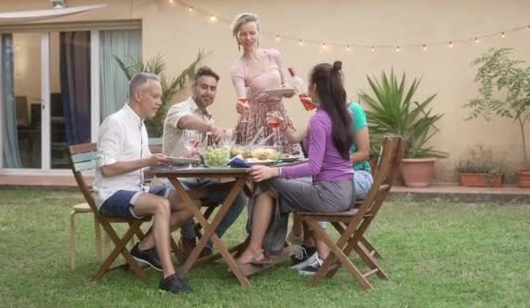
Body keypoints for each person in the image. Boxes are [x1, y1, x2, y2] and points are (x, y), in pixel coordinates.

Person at [236, 61, 355, 277]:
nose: (307, 89)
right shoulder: (344, 115)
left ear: (315, 88)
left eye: (309, 85)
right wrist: (284, 127)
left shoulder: (320, 119)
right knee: (275, 190)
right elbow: (301, 139)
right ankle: (269, 249)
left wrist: (275, 171)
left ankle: (256, 249)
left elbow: (313, 166)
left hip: (327, 195)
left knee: (266, 183)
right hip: (346, 192)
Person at [93, 72, 194, 294]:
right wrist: (147, 161)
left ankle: (144, 248)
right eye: (155, 96)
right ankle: (169, 277)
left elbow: (144, 165)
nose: (159, 102)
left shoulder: (140, 125)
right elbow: (107, 168)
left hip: (137, 190)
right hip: (112, 194)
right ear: (139, 95)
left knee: (188, 202)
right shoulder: (115, 123)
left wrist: (168, 163)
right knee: (162, 205)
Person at [162, 66, 247, 258]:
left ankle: (207, 244)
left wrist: (230, 133)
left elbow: (215, 148)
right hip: (175, 179)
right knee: (187, 194)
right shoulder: (179, 109)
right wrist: (208, 128)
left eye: (212, 88)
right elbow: (184, 122)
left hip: (200, 179)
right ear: (193, 87)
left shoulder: (208, 116)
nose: (208, 92)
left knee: (239, 196)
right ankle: (188, 240)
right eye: (204, 87)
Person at [287, 101, 373, 273]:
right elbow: (295, 138)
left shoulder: (352, 110)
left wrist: (334, 164)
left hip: (358, 176)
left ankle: (322, 255)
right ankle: (308, 245)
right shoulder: (320, 116)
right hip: (333, 178)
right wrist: (284, 126)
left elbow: (364, 152)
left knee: (320, 185)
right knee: (301, 183)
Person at [229, 12, 298, 153]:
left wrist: (287, 91)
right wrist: (241, 105)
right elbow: (242, 99)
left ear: (259, 34)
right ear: (237, 36)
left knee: (285, 159)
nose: (248, 38)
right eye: (243, 34)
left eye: (252, 33)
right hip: (256, 119)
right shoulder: (238, 67)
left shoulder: (273, 55)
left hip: (278, 113)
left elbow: (283, 84)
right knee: (259, 160)